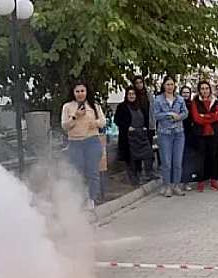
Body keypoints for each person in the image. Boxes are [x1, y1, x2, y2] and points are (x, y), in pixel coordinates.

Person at [61, 81, 106, 210]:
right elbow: (64, 126)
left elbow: (103, 121)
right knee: (77, 172)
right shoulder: (68, 107)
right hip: (75, 143)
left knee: (93, 172)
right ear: (73, 93)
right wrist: (76, 116)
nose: (80, 94)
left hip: (92, 141)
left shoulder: (94, 106)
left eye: (82, 91)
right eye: (77, 91)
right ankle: (78, 198)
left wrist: (96, 123)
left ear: (86, 92)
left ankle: (91, 199)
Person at [152, 76, 189, 197]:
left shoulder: (179, 99)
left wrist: (180, 116)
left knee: (177, 162)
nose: (170, 87)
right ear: (164, 86)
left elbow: (185, 112)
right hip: (164, 134)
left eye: (172, 84)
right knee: (166, 162)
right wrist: (169, 114)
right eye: (167, 84)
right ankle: (167, 186)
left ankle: (176, 185)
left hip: (179, 133)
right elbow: (156, 115)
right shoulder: (158, 99)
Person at [113, 86, 155, 186]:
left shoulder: (139, 106)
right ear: (126, 95)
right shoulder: (122, 107)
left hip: (141, 135)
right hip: (129, 138)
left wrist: (145, 127)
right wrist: (127, 127)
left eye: (133, 94)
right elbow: (117, 120)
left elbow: (144, 118)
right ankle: (134, 179)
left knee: (148, 154)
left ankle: (149, 174)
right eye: (129, 94)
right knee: (132, 159)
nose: (131, 96)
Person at [189, 80, 218, 192]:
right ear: (199, 90)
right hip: (200, 134)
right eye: (202, 89)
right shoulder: (195, 102)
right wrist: (209, 117)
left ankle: (213, 180)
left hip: (213, 134)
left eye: (206, 88)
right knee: (201, 158)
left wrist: (205, 116)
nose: (204, 91)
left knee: (213, 157)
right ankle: (200, 180)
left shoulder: (216, 102)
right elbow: (196, 118)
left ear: (210, 90)